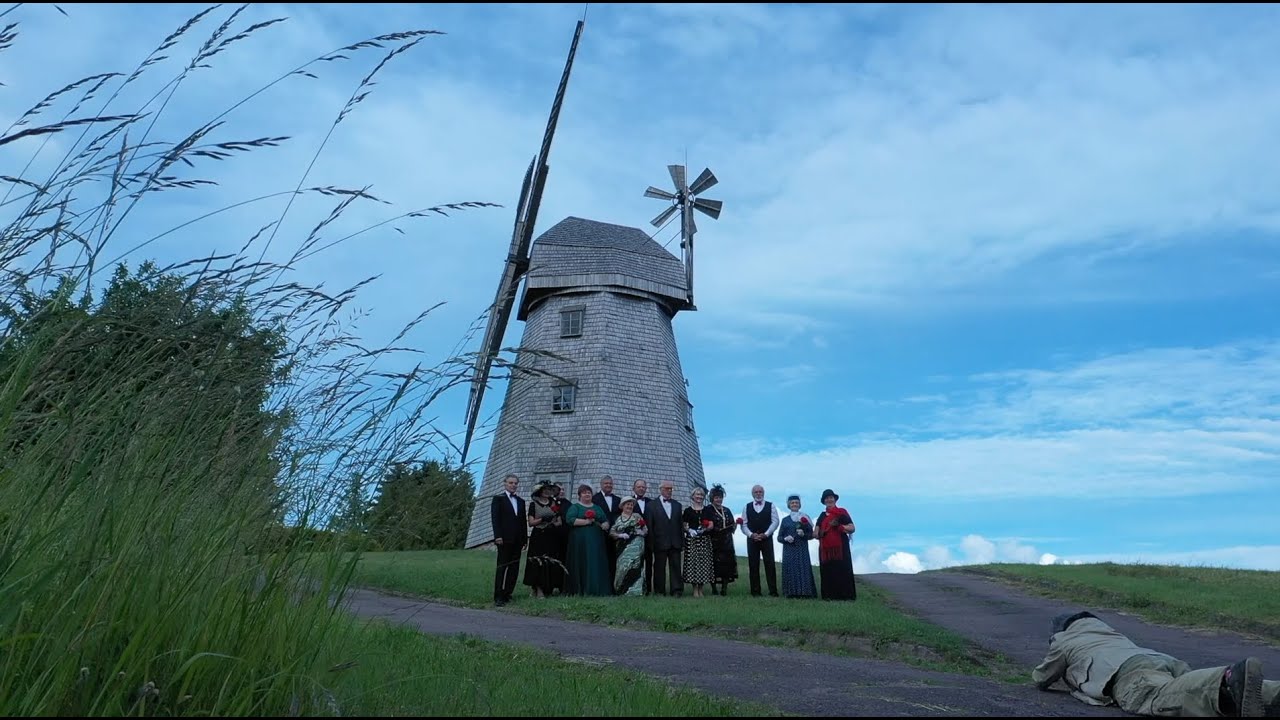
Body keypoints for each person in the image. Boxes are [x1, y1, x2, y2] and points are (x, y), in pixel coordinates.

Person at [1033, 610, 1279, 717]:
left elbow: (1042, 677)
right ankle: (1273, 692)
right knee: (1185, 688)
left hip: (1128, 672)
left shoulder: (1064, 640)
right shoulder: (1110, 633)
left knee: (1158, 697)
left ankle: (1226, 678)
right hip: (1158, 659)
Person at [563, 483, 612, 596]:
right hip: (580, 542)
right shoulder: (575, 507)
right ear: (579, 495)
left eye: (589, 492)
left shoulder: (597, 507)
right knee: (582, 562)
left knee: (595, 562)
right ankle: (580, 589)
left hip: (596, 541)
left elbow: (605, 520)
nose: (587, 494)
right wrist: (586, 522)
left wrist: (605, 525)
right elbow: (570, 520)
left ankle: (596, 588)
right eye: (584, 492)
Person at [522, 481, 564, 599]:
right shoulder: (533, 505)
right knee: (537, 562)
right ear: (539, 491)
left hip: (551, 536)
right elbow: (531, 523)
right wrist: (542, 519)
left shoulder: (554, 503)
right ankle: (537, 588)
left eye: (549, 490)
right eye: (544, 489)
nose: (547, 492)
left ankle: (546, 587)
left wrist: (553, 522)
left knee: (549, 561)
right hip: (538, 536)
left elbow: (559, 521)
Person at [489, 474, 526, 606]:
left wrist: (524, 539)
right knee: (502, 567)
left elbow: (522, 521)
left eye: (515, 483)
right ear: (505, 483)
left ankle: (508, 593)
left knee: (514, 567)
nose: (513, 485)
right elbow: (495, 518)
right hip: (504, 538)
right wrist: (497, 536)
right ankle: (498, 596)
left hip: (517, 539)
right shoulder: (498, 499)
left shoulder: (521, 501)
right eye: (510, 483)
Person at [814, 488, 856, 601]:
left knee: (842, 570)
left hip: (841, 547)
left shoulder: (842, 512)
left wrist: (840, 527)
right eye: (827, 498)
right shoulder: (822, 516)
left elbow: (852, 528)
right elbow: (815, 533)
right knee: (828, 572)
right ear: (824, 501)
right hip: (825, 549)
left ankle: (846, 596)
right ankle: (829, 596)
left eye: (831, 497)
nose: (829, 500)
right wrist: (820, 532)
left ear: (835, 499)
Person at [645, 480, 684, 596]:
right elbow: (650, 526)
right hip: (659, 542)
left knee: (676, 567)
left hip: (675, 542)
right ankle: (659, 591)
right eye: (667, 488)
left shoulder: (677, 505)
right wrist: (651, 543)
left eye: (671, 489)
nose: (669, 491)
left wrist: (682, 542)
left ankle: (676, 590)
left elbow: (680, 525)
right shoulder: (651, 505)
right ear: (661, 489)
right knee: (659, 568)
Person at [740, 484, 780, 597]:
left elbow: (775, 521)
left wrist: (766, 534)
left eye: (760, 492)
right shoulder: (746, 507)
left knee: (770, 564)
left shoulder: (771, 506)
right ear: (752, 494)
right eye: (756, 492)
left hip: (766, 539)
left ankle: (773, 591)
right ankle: (755, 592)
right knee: (753, 565)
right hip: (752, 540)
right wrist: (751, 534)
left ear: (763, 493)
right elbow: (743, 524)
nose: (758, 494)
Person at [777, 494, 817, 599]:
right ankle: (790, 592)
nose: (794, 504)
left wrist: (804, 535)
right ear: (788, 505)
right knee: (790, 569)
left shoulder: (805, 518)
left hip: (802, 549)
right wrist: (785, 539)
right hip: (789, 550)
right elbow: (779, 537)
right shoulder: (785, 520)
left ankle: (805, 592)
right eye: (792, 503)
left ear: (800, 505)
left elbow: (811, 535)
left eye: (796, 503)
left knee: (803, 569)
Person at [608, 496, 648, 595]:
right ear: (622, 506)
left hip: (637, 546)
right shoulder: (617, 518)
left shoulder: (637, 516)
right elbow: (611, 532)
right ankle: (621, 590)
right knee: (623, 567)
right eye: (627, 504)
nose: (629, 506)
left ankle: (637, 591)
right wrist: (620, 535)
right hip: (623, 548)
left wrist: (641, 532)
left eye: (631, 505)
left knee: (636, 566)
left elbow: (645, 529)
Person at [703, 484, 738, 596]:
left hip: (727, 541)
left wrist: (734, 525)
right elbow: (705, 523)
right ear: (712, 498)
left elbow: (732, 524)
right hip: (714, 540)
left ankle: (724, 589)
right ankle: (714, 589)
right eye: (717, 497)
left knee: (727, 565)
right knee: (714, 564)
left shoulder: (727, 510)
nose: (719, 499)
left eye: (720, 497)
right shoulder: (708, 509)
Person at [681, 486, 714, 598]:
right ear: (693, 496)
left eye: (701, 495)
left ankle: (701, 589)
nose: (699, 497)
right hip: (692, 541)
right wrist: (689, 530)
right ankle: (695, 589)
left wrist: (705, 529)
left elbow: (711, 524)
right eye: (697, 495)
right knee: (693, 565)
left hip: (704, 540)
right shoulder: (688, 510)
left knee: (703, 564)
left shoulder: (707, 510)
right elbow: (684, 525)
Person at [593, 475, 622, 587]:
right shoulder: (595, 499)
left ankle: (612, 586)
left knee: (613, 561)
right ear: (601, 485)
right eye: (606, 483)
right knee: (600, 560)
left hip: (614, 537)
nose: (608, 485)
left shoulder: (618, 500)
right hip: (599, 534)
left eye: (610, 483)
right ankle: (600, 585)